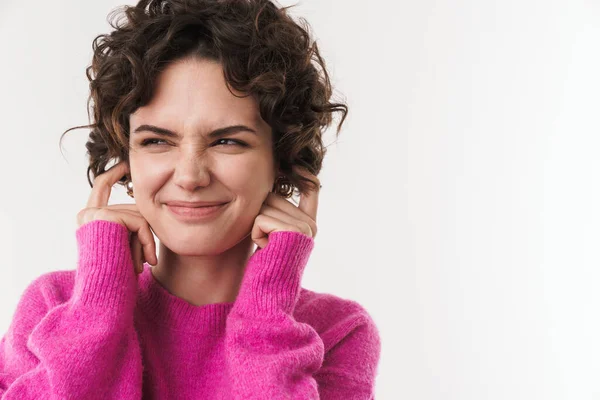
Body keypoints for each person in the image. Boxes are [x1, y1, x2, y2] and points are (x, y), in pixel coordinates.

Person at [0, 0, 381, 398]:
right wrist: (97, 310)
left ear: (282, 161)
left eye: (228, 141)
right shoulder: (55, 307)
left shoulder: (338, 331)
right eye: (156, 141)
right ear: (126, 160)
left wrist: (267, 308)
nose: (189, 176)